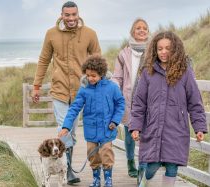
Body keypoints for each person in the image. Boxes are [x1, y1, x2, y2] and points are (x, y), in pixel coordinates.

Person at [31, 1, 101, 185]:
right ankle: (68, 170)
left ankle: (65, 165)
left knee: (73, 133)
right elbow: (44, 60)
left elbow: (98, 60)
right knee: (65, 128)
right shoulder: (51, 34)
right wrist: (36, 86)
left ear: (78, 14)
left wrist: (101, 85)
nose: (71, 18)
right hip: (60, 90)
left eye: (74, 14)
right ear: (61, 15)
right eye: (67, 15)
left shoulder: (90, 34)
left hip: (81, 91)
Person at [129, 31, 208, 187]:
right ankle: (144, 183)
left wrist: (199, 127)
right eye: (160, 49)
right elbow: (139, 103)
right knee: (152, 165)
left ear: (175, 49)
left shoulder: (185, 72)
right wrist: (135, 126)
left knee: (172, 166)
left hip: (176, 129)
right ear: (155, 50)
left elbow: (195, 102)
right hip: (153, 127)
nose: (164, 52)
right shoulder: (148, 72)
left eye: (168, 48)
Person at [59, 55, 125, 187]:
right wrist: (66, 126)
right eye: (88, 75)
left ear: (101, 73)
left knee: (106, 152)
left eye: (93, 75)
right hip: (91, 130)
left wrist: (115, 121)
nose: (90, 78)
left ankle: (108, 179)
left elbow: (120, 104)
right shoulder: (84, 89)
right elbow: (74, 108)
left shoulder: (112, 87)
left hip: (108, 128)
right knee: (92, 154)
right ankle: (96, 179)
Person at [112, 18, 150, 178]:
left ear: (148, 31)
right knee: (129, 134)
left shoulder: (154, 51)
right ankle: (130, 162)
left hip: (148, 100)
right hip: (128, 99)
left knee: (146, 134)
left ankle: (143, 165)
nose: (141, 30)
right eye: (138, 28)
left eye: (144, 28)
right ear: (132, 32)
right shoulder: (123, 54)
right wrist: (115, 95)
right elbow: (117, 78)